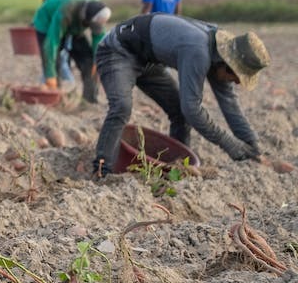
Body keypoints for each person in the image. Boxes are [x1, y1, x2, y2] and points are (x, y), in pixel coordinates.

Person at [90, 14, 269, 180]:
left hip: (148, 61)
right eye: (237, 78)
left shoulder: (220, 56)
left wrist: (252, 145)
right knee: (121, 106)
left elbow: (230, 104)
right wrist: (230, 144)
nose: (237, 83)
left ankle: (176, 169)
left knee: (179, 113)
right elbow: (192, 109)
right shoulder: (199, 50)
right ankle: (101, 169)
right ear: (227, 65)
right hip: (117, 51)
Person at [32, 0, 110, 103]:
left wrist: (97, 61)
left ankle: (89, 100)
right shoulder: (66, 11)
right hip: (47, 23)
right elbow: (52, 42)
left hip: (75, 27)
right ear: (85, 18)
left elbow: (98, 39)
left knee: (88, 63)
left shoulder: (98, 9)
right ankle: (55, 98)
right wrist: (50, 74)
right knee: (56, 62)